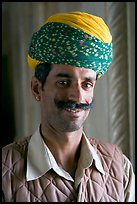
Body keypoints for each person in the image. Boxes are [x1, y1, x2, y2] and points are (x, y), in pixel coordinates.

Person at [2, 11, 135, 202]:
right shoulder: (5, 171)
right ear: (37, 88)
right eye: (64, 82)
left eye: (86, 84)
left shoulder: (120, 167)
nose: (78, 95)